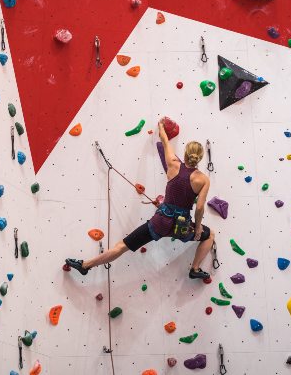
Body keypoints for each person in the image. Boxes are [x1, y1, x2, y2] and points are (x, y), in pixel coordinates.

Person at [66, 118, 215, 280]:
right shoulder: (203, 180)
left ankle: (85, 265)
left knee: (122, 246)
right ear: (200, 158)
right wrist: (198, 227)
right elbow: (199, 207)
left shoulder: (173, 164)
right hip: (181, 227)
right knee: (210, 235)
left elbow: (164, 140)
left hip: (160, 223)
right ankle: (195, 268)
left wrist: (161, 126)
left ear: (185, 153)